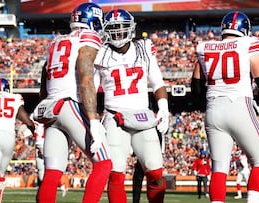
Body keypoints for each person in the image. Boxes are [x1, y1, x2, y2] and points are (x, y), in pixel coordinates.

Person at [33, 3, 112, 203]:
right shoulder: (89, 37)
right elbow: (85, 77)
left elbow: (44, 81)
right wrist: (93, 120)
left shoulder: (56, 41)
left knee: (52, 173)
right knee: (104, 163)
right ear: (93, 21)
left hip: (51, 108)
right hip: (70, 104)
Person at [191, 11, 259, 203]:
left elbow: (195, 88)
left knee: (219, 168)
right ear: (245, 29)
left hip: (213, 110)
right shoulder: (248, 43)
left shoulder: (205, 47)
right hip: (239, 105)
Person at [94, 8, 169, 203]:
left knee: (156, 172)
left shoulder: (144, 47)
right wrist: (92, 121)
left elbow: (157, 82)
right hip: (114, 117)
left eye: (122, 28)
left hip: (143, 115)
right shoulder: (99, 54)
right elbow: (90, 91)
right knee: (116, 173)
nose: (118, 32)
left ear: (131, 28)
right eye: (113, 28)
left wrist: (163, 109)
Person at [33, 118, 68, 198]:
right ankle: (61, 186)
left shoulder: (42, 122)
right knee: (44, 172)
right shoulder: (45, 121)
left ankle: (59, 187)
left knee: (45, 174)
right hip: (42, 145)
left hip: (43, 145)